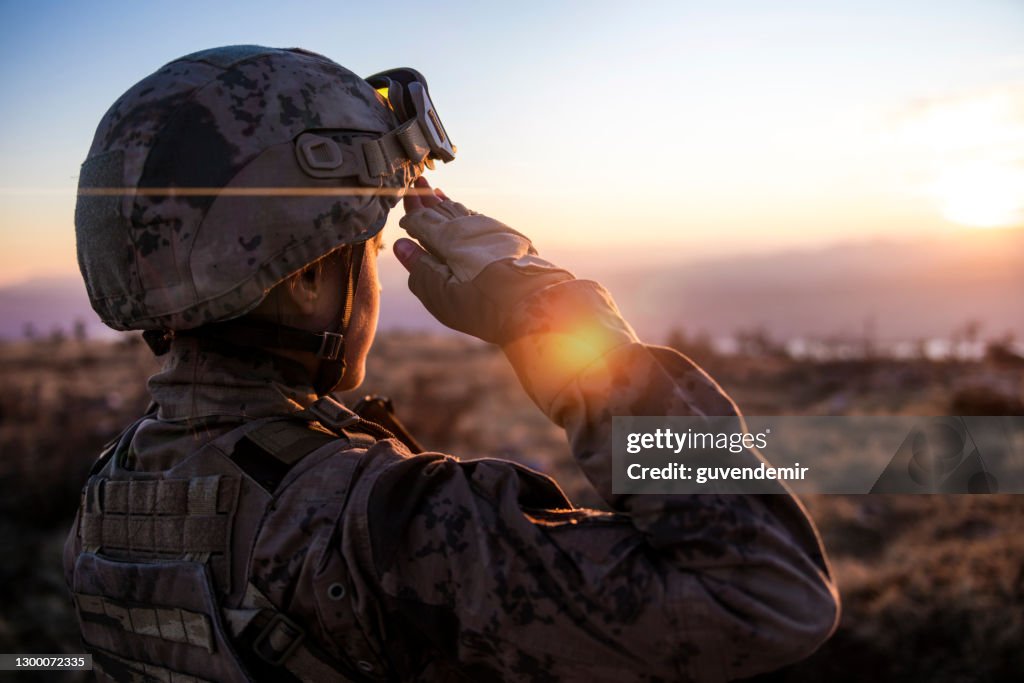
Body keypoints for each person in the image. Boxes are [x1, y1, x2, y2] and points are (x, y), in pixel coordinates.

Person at [65, 45, 838, 682]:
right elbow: (765, 593)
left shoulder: (111, 494)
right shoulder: (383, 524)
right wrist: (556, 315)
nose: (374, 276)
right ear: (305, 281)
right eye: (369, 249)